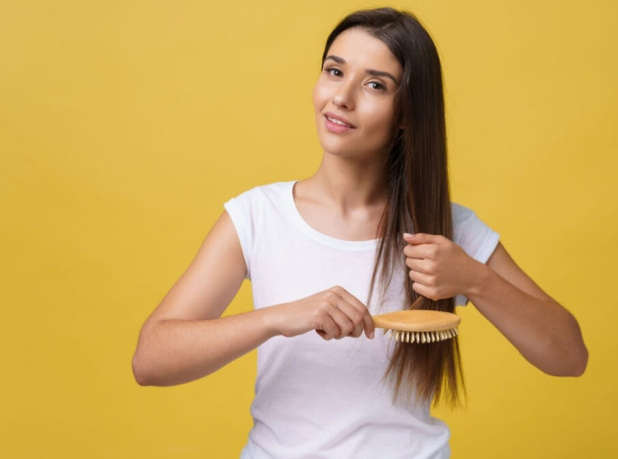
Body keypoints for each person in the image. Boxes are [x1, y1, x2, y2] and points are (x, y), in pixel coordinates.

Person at [132, 7, 588, 458]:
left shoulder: (447, 229)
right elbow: (150, 360)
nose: (342, 98)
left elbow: (568, 356)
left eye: (374, 84)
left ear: (407, 113)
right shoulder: (258, 216)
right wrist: (277, 318)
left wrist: (475, 280)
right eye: (334, 71)